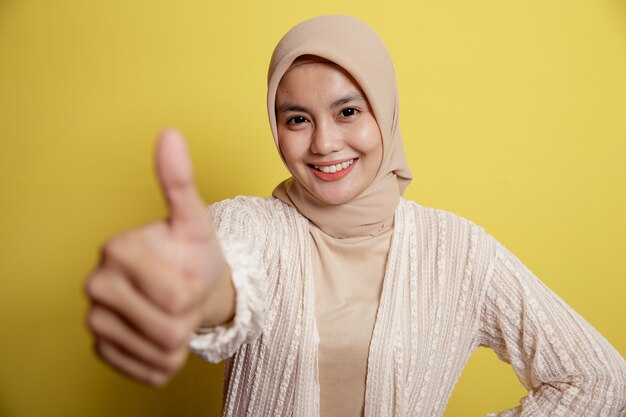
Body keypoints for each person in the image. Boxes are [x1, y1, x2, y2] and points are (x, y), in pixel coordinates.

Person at [85, 14, 626, 417]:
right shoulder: (247, 226)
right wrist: (189, 293)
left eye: (348, 111)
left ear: (384, 113)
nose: (324, 143)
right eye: (297, 118)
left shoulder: (458, 252)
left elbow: (600, 379)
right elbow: (226, 288)